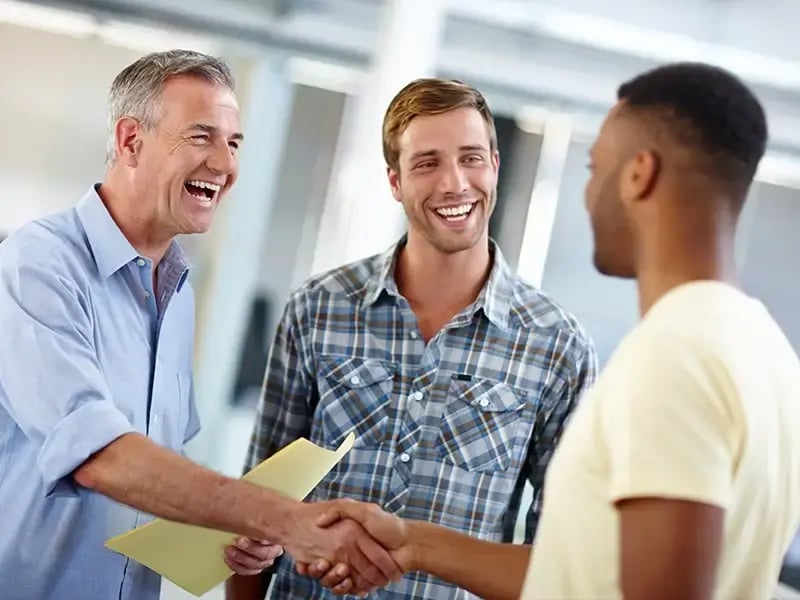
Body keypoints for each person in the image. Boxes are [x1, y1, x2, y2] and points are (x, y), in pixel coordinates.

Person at [302, 61, 800, 600]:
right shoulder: (766, 350)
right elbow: (580, 576)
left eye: (594, 167)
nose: (589, 196)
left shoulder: (674, 356)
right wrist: (415, 544)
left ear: (638, 175)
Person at [0, 49, 400, 600]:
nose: (224, 164)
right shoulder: (39, 264)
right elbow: (97, 455)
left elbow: (155, 460)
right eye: (201, 137)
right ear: (130, 141)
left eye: (234, 143)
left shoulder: (174, 287)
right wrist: (283, 518)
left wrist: (231, 527)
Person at [228, 78, 597, 599]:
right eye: (427, 163)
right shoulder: (318, 309)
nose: (454, 183)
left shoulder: (557, 346)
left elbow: (563, 556)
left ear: (494, 163)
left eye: (471, 158)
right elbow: (258, 506)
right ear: (395, 181)